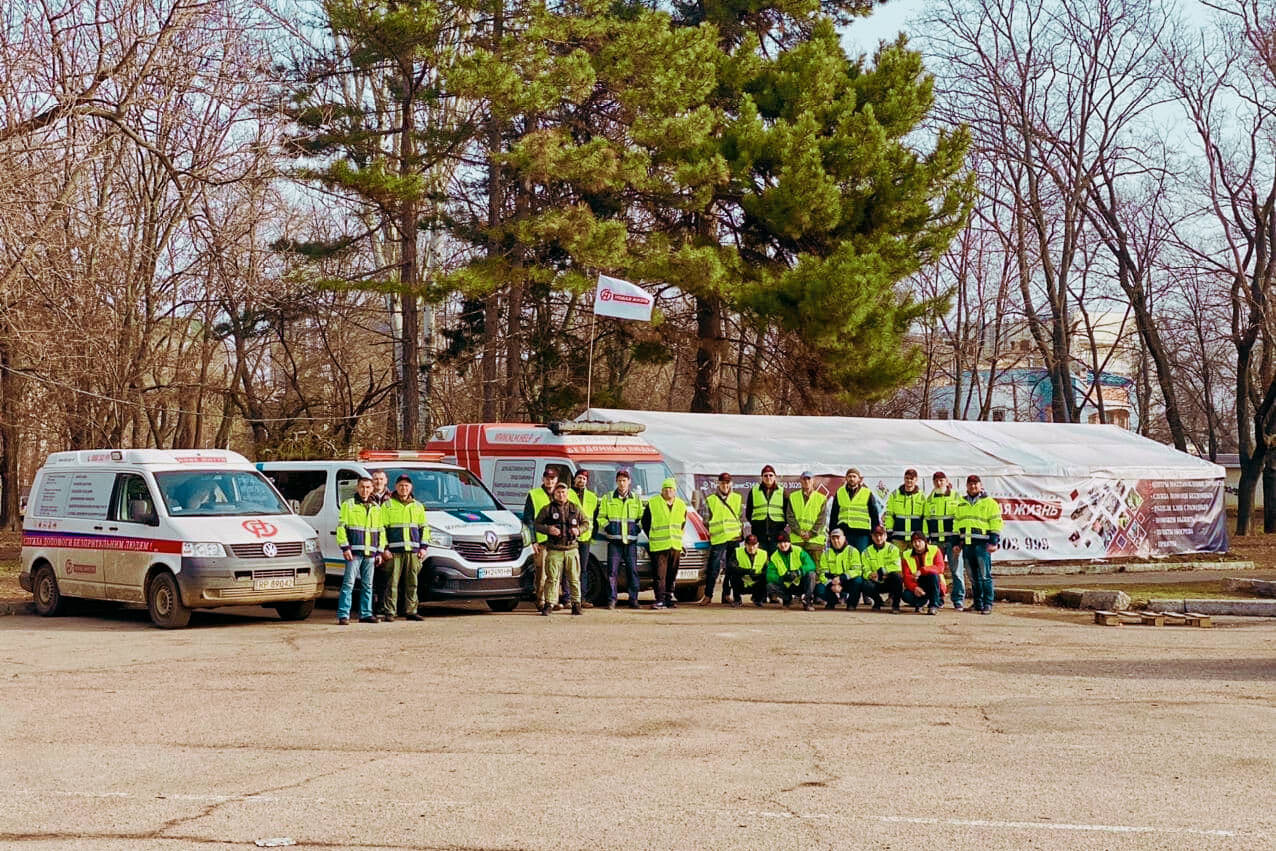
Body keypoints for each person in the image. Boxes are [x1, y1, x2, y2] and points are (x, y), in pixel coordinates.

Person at [379, 474, 430, 622]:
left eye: (406, 485)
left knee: (412, 583)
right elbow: (382, 529)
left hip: (413, 552)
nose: (404, 488)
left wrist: (423, 547)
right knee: (392, 583)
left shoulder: (418, 506)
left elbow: (424, 528)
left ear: (411, 487)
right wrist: (385, 548)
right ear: (396, 487)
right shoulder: (387, 505)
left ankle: (411, 611)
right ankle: (390, 612)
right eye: (401, 485)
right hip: (393, 552)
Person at [335, 476, 385, 625]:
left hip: (370, 553)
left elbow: (381, 531)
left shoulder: (376, 507)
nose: (365, 490)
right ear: (357, 488)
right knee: (348, 584)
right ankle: (343, 615)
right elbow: (341, 528)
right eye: (362, 487)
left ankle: (366, 614)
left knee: (368, 585)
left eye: (368, 487)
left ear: (372, 489)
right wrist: (345, 547)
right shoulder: (348, 505)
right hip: (354, 553)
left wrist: (379, 551)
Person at [953, 474, 1003, 615]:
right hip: (967, 545)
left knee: (985, 576)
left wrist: (993, 542)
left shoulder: (990, 503)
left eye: (975, 484)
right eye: (970, 484)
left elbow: (996, 523)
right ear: (967, 486)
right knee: (973, 577)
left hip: (982, 545)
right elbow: (956, 524)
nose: (973, 486)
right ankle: (978, 603)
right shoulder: (961, 504)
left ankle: (987, 603)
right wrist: (957, 543)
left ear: (981, 485)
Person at [534, 481, 586, 616]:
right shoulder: (547, 509)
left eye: (563, 492)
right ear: (554, 493)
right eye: (558, 492)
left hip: (571, 549)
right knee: (552, 578)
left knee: (574, 578)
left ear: (567, 493)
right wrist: (548, 529)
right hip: (554, 549)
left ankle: (576, 604)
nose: (561, 495)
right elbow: (537, 524)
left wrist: (579, 530)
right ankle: (549, 604)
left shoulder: (575, 508)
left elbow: (586, 523)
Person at [597, 469, 643, 609]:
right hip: (614, 542)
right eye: (619, 480)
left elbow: (641, 518)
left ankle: (633, 600)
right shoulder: (608, 498)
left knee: (633, 571)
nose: (622, 483)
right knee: (612, 572)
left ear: (629, 482)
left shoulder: (636, 498)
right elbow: (600, 517)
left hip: (630, 542)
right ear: (616, 482)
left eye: (624, 480)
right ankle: (612, 600)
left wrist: (637, 528)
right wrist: (608, 527)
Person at [642, 478, 687, 609]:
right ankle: (660, 599)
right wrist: (653, 536)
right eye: (665, 489)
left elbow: (683, 523)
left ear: (675, 491)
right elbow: (645, 522)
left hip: (675, 545)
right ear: (661, 490)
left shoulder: (681, 505)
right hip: (659, 546)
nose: (668, 491)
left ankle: (668, 599)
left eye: (671, 489)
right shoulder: (653, 503)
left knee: (672, 574)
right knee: (659, 575)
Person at [700, 472, 743, 605]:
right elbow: (705, 521)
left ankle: (726, 595)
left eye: (727, 482)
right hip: (718, 538)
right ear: (718, 484)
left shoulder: (737, 498)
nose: (725, 485)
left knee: (731, 569)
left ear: (731, 483)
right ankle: (708, 595)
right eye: (723, 483)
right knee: (713, 568)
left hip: (734, 538)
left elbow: (740, 517)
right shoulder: (710, 499)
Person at [925, 471, 963, 610]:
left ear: (947, 481)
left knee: (956, 572)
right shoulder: (929, 499)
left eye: (941, 480)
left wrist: (959, 541)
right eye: (936, 481)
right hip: (936, 543)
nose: (939, 483)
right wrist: (926, 539)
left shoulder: (956, 497)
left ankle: (958, 600)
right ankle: (938, 598)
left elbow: (961, 519)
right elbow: (926, 520)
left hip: (952, 542)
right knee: (936, 572)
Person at [523, 468, 559, 606]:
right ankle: (541, 600)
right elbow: (528, 519)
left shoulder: (560, 494)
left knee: (555, 573)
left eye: (552, 479)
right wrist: (533, 541)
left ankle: (553, 600)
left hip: (557, 541)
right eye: (547, 478)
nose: (550, 481)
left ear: (556, 480)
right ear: (543, 479)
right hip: (541, 540)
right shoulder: (534, 494)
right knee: (542, 573)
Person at [566, 470, 597, 607]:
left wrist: (593, 535)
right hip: (569, 537)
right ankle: (567, 598)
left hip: (585, 537)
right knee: (568, 568)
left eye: (584, 478)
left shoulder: (592, 497)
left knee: (583, 569)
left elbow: (594, 517)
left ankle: (581, 598)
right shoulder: (567, 493)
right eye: (579, 478)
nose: (581, 481)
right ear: (574, 479)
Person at [829, 468, 880, 552]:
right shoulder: (840, 492)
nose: (852, 479)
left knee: (862, 557)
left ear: (859, 479)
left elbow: (874, 514)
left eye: (854, 476)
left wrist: (876, 532)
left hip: (862, 533)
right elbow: (834, 514)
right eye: (849, 476)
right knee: (846, 556)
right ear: (846, 478)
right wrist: (832, 531)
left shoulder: (867, 492)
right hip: (845, 532)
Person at [764, 532, 818, 610]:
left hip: (800, 582)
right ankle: (787, 599)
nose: (783, 545)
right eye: (780, 543)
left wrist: (799, 572)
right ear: (777, 544)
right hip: (786, 585)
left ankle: (807, 600)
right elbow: (770, 576)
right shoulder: (774, 557)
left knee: (811, 574)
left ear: (790, 542)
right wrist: (782, 578)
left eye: (785, 542)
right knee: (770, 586)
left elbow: (811, 565)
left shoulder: (798, 550)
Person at [785, 471, 828, 565]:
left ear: (813, 481)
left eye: (809, 479)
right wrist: (799, 531)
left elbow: (822, 520)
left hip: (815, 542)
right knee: (797, 569)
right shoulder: (793, 496)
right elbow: (790, 517)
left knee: (814, 570)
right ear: (800, 481)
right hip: (797, 540)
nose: (806, 481)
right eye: (804, 479)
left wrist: (811, 533)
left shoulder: (821, 498)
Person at [860, 525, 904, 612]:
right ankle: (878, 602)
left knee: (897, 577)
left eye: (881, 535)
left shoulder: (893, 549)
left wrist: (881, 572)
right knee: (865, 584)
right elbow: (864, 568)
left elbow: (897, 566)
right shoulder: (866, 552)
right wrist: (870, 575)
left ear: (886, 536)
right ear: (872, 537)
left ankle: (896, 605)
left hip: (889, 580)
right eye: (875, 536)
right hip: (875, 581)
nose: (878, 538)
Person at [901, 531, 945, 615]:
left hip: (933, 582)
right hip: (917, 583)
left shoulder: (935, 550)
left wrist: (922, 570)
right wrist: (915, 588)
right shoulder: (906, 555)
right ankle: (921, 603)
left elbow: (940, 567)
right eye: (914, 542)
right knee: (905, 596)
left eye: (919, 541)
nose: (917, 544)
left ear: (925, 541)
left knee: (933, 575)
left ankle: (933, 605)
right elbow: (906, 576)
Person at [746, 464, 787, 554]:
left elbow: (787, 511)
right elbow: (748, 512)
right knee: (760, 559)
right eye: (765, 475)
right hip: (759, 534)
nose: (768, 477)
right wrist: (756, 524)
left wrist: (781, 526)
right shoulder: (754, 491)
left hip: (776, 533)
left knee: (776, 559)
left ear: (775, 476)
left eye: (771, 475)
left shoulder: (782, 491)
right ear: (762, 477)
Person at [883, 468, 927, 548]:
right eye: (907, 478)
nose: (909, 480)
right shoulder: (895, 495)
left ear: (916, 479)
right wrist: (889, 531)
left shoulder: (922, 496)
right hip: (898, 537)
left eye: (911, 478)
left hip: (915, 538)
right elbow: (889, 514)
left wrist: (924, 535)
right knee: (897, 556)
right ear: (904, 478)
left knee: (914, 557)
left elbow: (925, 518)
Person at [818, 528, 860, 609]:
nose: (836, 540)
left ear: (844, 538)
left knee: (858, 581)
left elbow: (857, 570)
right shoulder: (826, 553)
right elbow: (822, 573)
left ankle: (851, 603)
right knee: (819, 588)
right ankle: (832, 601)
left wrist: (841, 578)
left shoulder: (853, 551)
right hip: (832, 581)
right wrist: (830, 584)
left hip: (847, 580)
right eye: (833, 538)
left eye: (838, 537)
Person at [733, 534, 768, 607]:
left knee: (767, 577)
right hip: (742, 582)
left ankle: (758, 599)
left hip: (756, 582)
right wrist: (747, 571)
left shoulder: (763, 554)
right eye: (749, 545)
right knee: (733, 575)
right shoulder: (737, 552)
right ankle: (737, 599)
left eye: (754, 545)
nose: (751, 548)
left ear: (758, 545)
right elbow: (731, 567)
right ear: (745, 544)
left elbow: (768, 570)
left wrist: (759, 575)